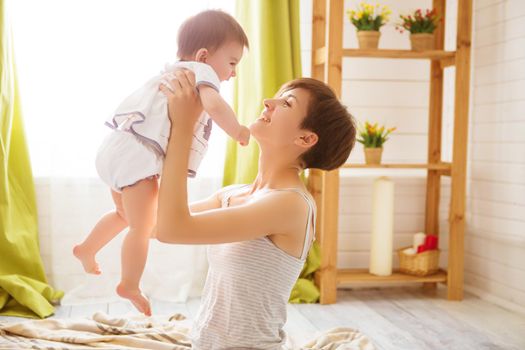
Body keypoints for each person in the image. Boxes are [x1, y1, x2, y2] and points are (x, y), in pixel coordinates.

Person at [156, 70, 357, 349]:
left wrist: (183, 127)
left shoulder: (291, 204)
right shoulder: (233, 194)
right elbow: (156, 224)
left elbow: (171, 229)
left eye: (286, 103)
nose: (267, 102)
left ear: (306, 139)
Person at [72, 10, 250, 316]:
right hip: (139, 156)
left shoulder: (172, 70)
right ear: (205, 55)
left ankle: (86, 248)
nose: (233, 73)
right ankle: (129, 283)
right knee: (142, 228)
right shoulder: (201, 72)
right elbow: (214, 105)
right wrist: (237, 130)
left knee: (123, 214)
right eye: (232, 63)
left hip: (118, 146)